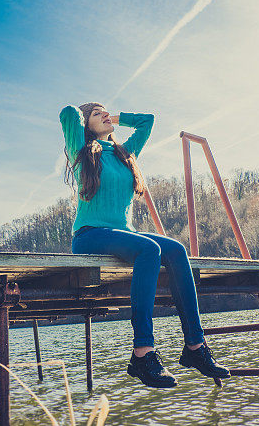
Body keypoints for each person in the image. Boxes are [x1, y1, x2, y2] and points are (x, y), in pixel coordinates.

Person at [59, 102, 230, 388]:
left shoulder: (126, 154)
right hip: (90, 235)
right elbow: (67, 113)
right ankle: (143, 352)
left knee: (175, 249)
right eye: (96, 113)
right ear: (85, 124)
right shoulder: (84, 151)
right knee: (149, 249)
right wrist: (87, 115)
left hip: (122, 234)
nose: (104, 114)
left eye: (105, 111)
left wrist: (114, 118)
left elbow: (147, 121)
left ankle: (195, 347)